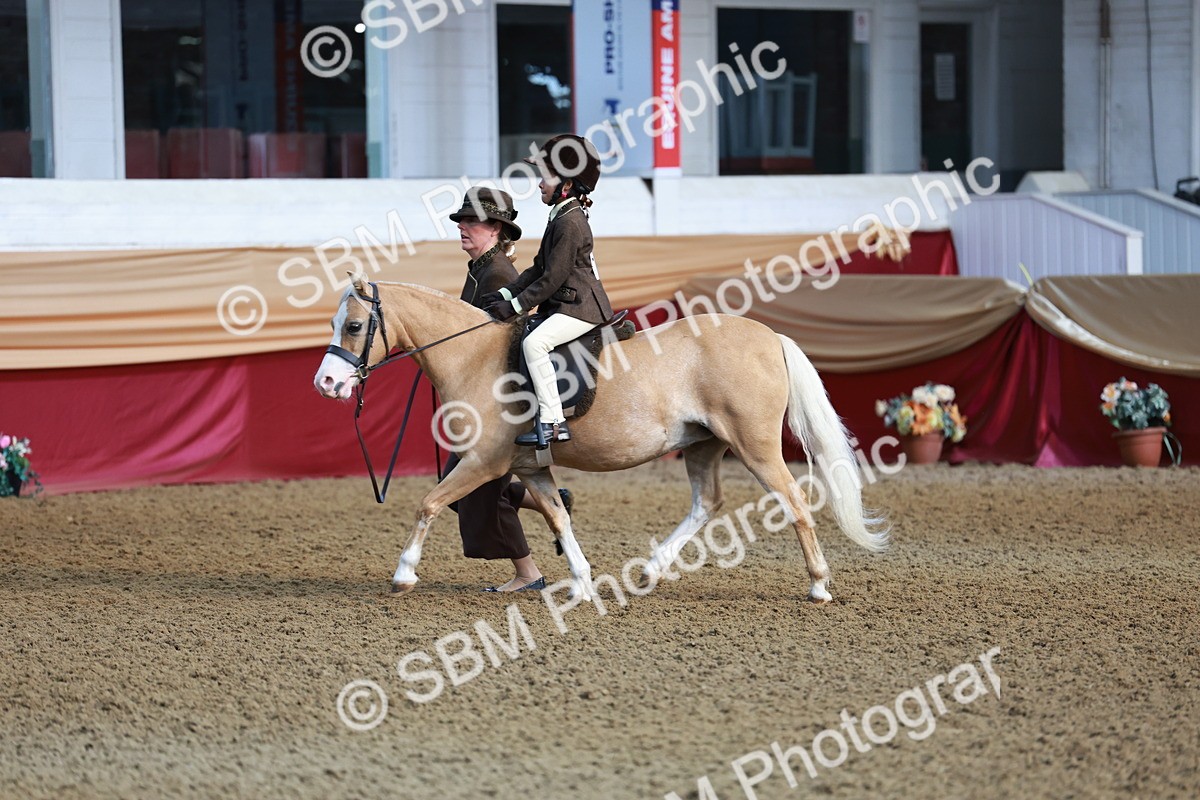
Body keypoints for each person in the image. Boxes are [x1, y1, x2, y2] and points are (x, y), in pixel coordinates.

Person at [443, 186, 572, 592]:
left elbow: (499, 342)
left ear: (496, 229)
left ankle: (528, 574)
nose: (462, 226)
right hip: (488, 398)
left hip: (498, 403)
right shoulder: (481, 268)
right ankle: (546, 502)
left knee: (480, 493)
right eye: (461, 220)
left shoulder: (497, 273)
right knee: (456, 491)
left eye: (471, 221)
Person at [481, 134, 614, 447]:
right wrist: (505, 295)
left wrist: (516, 307)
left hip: (581, 306)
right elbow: (537, 268)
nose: (539, 183)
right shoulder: (560, 216)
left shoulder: (570, 223)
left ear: (566, 185)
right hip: (569, 302)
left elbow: (552, 279)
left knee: (534, 344)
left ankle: (553, 422)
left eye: (546, 176)